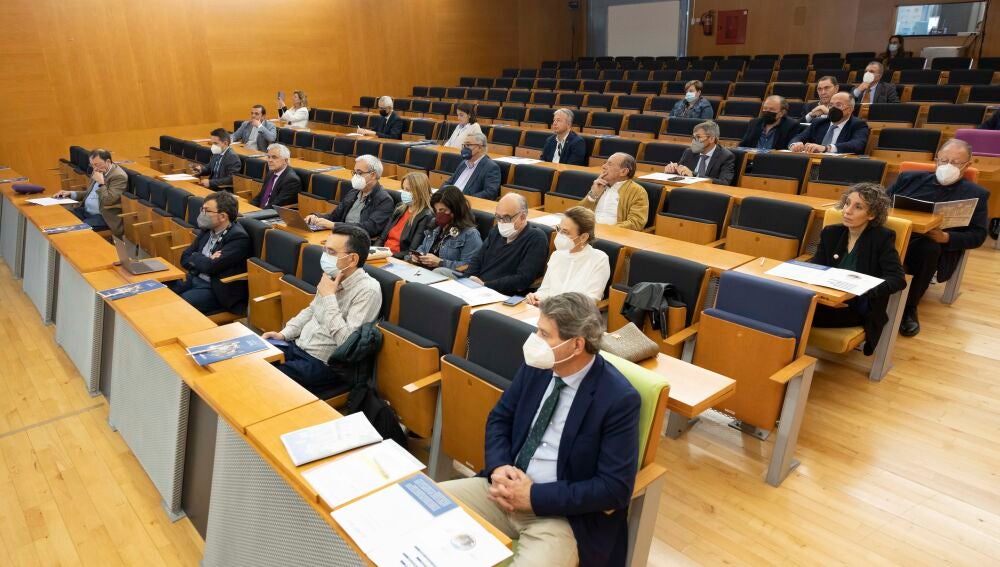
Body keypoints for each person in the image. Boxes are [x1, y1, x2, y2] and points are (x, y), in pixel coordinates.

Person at [440, 292, 641, 567]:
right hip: (501, 491)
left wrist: (533, 497)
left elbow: (614, 488)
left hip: (560, 516)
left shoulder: (618, 399)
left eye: (544, 334)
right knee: (420, 508)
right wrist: (499, 466)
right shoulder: (539, 365)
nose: (535, 339)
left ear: (577, 344)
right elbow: (500, 418)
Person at [262, 225, 382, 396]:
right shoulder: (332, 275)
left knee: (267, 377)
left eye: (331, 252)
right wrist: (284, 334)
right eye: (325, 249)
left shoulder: (368, 290)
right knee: (254, 357)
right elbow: (311, 310)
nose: (325, 256)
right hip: (297, 346)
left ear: (352, 259)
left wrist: (329, 297)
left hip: (325, 364)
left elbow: (347, 344)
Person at [887, 139, 989, 337]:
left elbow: (978, 235)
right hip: (897, 234)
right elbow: (881, 202)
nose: (948, 166)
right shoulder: (908, 179)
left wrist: (947, 237)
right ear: (936, 160)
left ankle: (909, 307)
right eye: (944, 160)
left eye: (956, 162)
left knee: (928, 248)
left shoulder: (976, 194)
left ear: (967, 165)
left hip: (934, 245)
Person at [808, 183, 906, 355]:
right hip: (826, 300)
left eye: (858, 207)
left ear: (872, 214)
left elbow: (897, 279)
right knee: (787, 304)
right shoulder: (831, 233)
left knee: (792, 312)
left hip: (857, 307)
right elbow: (817, 267)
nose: (847, 211)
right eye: (847, 203)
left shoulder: (882, 238)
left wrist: (859, 289)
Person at [453, 193, 548, 296]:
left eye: (507, 218)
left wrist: (485, 285)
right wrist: (466, 281)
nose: (501, 223)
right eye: (498, 217)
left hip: (501, 294)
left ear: (522, 217)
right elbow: (477, 260)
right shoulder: (496, 231)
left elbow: (523, 279)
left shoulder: (536, 238)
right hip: (476, 287)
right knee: (442, 274)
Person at [174, 191, 252, 314]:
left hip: (217, 289)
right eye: (202, 209)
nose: (202, 214)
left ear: (223, 216)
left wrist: (196, 257)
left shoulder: (238, 238)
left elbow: (210, 267)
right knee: (165, 292)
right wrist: (203, 259)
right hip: (195, 277)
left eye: (206, 210)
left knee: (179, 305)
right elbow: (184, 258)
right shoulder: (207, 229)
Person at [526, 207, 609, 306]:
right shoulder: (557, 255)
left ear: (583, 237)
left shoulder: (599, 259)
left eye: (565, 232)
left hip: (576, 314)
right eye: (558, 229)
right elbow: (545, 290)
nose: (559, 235)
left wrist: (552, 304)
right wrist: (535, 297)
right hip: (547, 310)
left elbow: (590, 300)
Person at [305, 155, 394, 239]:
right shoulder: (353, 193)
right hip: (341, 234)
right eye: (354, 172)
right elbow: (335, 216)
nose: (355, 176)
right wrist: (316, 217)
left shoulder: (384, 200)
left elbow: (369, 228)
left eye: (359, 173)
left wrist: (334, 225)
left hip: (359, 240)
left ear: (373, 175)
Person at [53, 149, 127, 238]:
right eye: (92, 165)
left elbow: (108, 200)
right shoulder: (98, 170)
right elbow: (90, 194)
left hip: (103, 216)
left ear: (108, 161)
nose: (94, 168)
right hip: (85, 211)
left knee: (77, 231)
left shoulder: (118, 176)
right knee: (62, 219)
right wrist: (71, 194)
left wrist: (101, 183)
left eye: (97, 164)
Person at [411, 185, 482, 271]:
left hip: (448, 276)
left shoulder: (470, 234)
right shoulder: (435, 224)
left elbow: (469, 266)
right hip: (424, 271)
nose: (438, 214)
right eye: (436, 210)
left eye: (443, 210)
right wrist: (418, 256)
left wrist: (440, 263)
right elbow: (423, 247)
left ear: (456, 209)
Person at [374, 171, 435, 258]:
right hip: (382, 254)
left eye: (408, 190)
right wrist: (373, 252)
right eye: (403, 189)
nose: (404, 193)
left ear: (420, 192)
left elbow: (411, 251)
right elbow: (382, 238)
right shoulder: (399, 208)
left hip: (397, 258)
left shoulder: (426, 216)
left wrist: (388, 257)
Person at [581, 152, 648, 231]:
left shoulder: (638, 191)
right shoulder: (599, 185)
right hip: (587, 231)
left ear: (623, 172)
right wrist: (592, 195)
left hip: (613, 234)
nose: (603, 166)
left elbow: (636, 223)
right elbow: (579, 213)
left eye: (609, 164)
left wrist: (606, 230)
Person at [789, 92, 870, 154]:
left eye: (838, 105)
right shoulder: (818, 122)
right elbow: (798, 137)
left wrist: (826, 148)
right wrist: (795, 144)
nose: (833, 108)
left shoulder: (858, 125)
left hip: (838, 165)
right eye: (831, 105)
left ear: (850, 109)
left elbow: (856, 144)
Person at [664, 120, 737, 185]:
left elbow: (724, 182)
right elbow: (681, 171)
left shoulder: (726, 156)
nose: (694, 141)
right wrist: (672, 170)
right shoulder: (689, 152)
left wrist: (696, 176)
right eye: (693, 137)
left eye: (698, 137)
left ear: (711, 139)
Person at [446, 132, 502, 200]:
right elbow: (449, 182)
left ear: (480, 148)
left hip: (466, 203)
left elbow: (490, 193)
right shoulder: (463, 163)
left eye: (468, 145)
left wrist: (464, 199)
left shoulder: (491, 167)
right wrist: (442, 192)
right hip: (450, 199)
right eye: (464, 145)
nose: (464, 148)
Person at [251, 144, 302, 209]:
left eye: (274, 157)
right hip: (262, 210)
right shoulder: (270, 173)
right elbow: (261, 195)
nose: (270, 160)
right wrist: (251, 207)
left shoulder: (291, 180)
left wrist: (258, 212)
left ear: (285, 161)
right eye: (268, 157)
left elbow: (277, 205)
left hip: (272, 213)